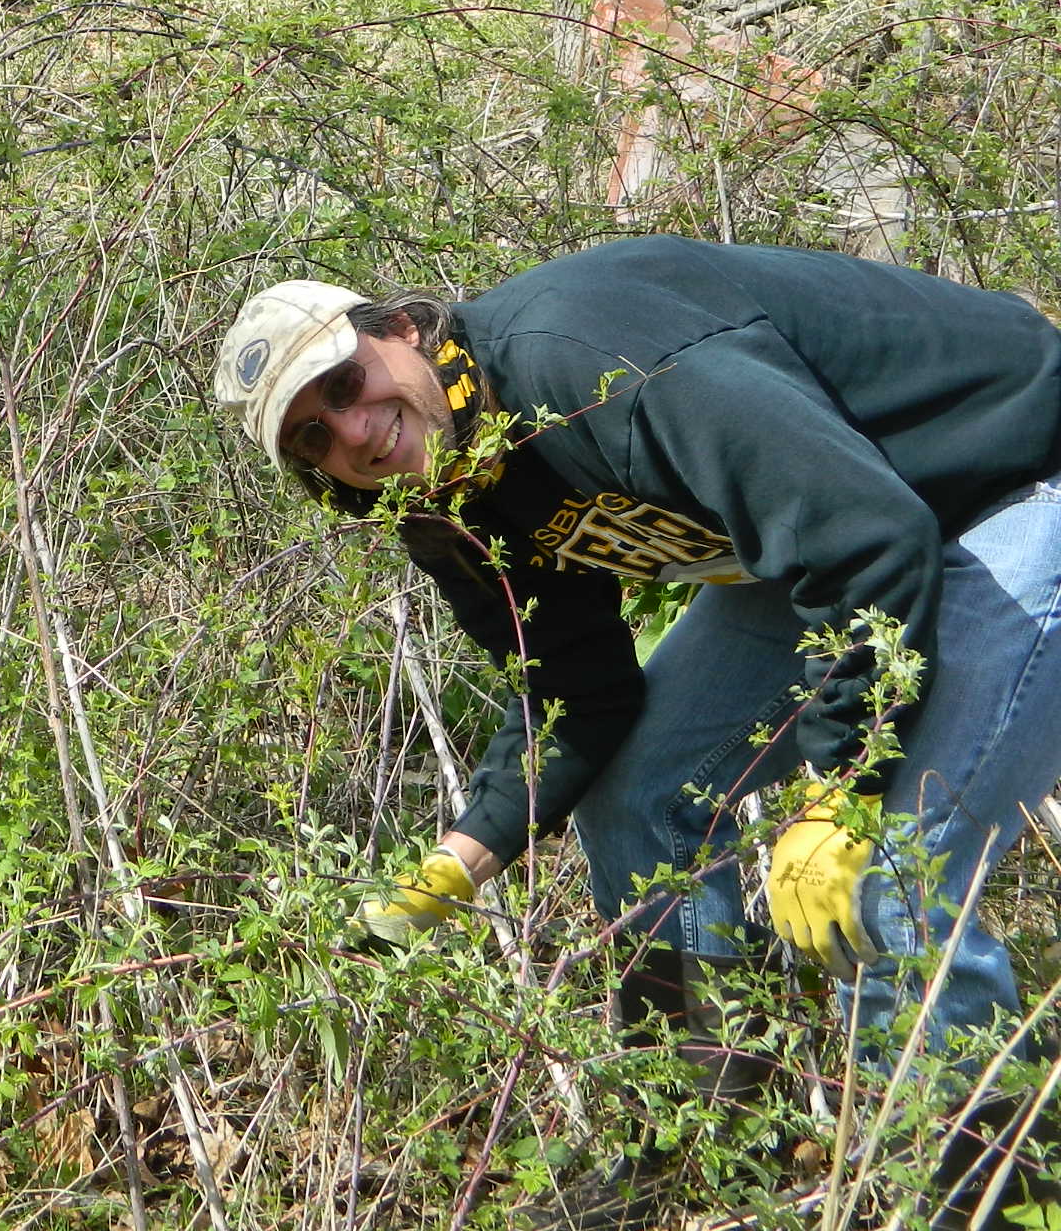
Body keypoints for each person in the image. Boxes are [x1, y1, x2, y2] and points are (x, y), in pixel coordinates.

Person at [214, 237, 1061, 1226]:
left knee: (880, 883)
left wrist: (841, 789)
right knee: (640, 796)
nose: (354, 432)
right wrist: (463, 854)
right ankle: (699, 1135)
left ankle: (986, 1198)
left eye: (346, 383)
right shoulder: (451, 491)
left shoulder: (587, 362)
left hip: (1010, 480)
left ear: (400, 330)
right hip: (840, 537)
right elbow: (575, 687)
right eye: (313, 439)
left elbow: (867, 534)